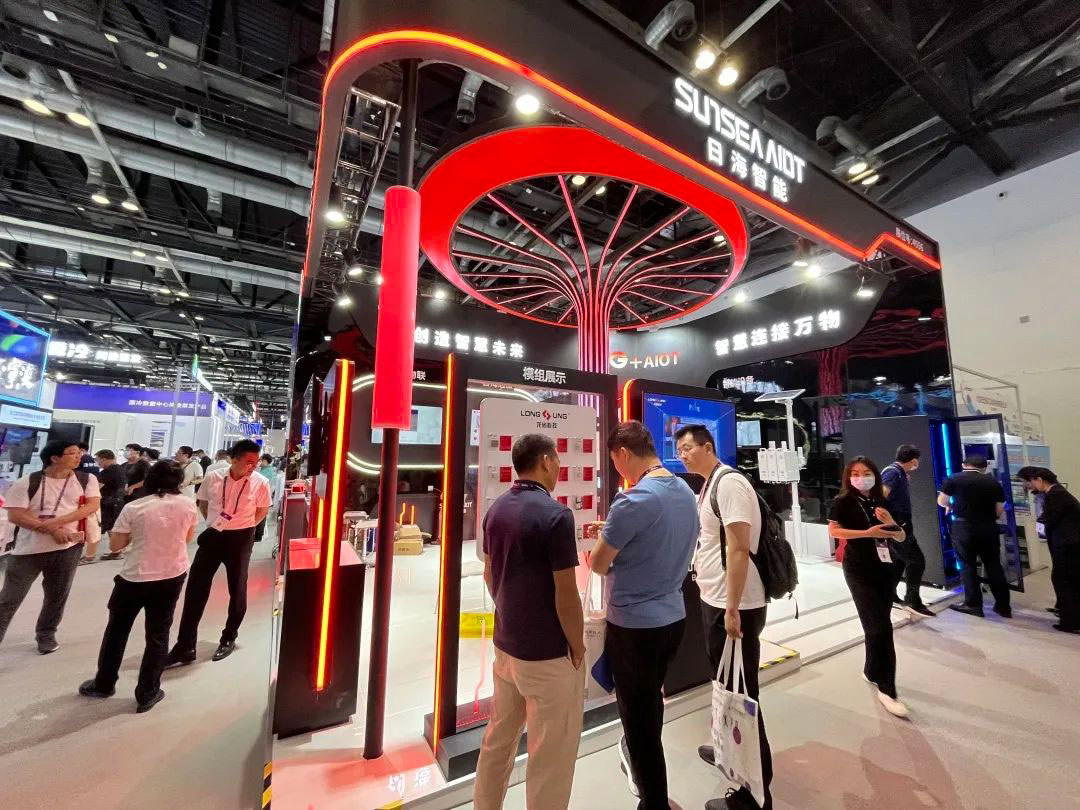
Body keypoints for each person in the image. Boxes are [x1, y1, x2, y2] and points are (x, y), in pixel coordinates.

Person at [589, 421, 698, 809]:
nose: (616, 467)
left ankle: (653, 803)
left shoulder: (632, 501)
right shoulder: (684, 490)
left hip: (635, 626)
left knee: (638, 723)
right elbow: (657, 540)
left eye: (614, 460)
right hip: (673, 618)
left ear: (622, 453)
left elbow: (598, 564)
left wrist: (602, 541)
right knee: (650, 706)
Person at [473, 434, 585, 810]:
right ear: (546, 461)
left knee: (498, 742)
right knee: (550, 757)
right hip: (547, 656)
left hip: (506, 648)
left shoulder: (496, 510)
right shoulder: (556, 516)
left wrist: (511, 612)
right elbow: (566, 593)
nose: (559, 468)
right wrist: (578, 646)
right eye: (557, 461)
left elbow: (489, 574)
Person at [675, 424, 772, 810]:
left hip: (736, 605)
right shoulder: (710, 484)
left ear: (708, 446)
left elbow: (739, 548)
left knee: (742, 695)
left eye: (688, 448)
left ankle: (755, 793)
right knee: (726, 686)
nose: (682, 455)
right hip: (716, 599)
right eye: (678, 450)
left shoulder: (729, 484)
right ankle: (726, 751)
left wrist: (731, 608)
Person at [78, 459, 199, 712]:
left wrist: (138, 535)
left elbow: (115, 546)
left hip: (135, 577)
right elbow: (188, 538)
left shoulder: (135, 507)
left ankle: (104, 683)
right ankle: (147, 692)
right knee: (158, 634)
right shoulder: (188, 505)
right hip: (172, 575)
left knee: (117, 631)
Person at [166, 439, 271, 664]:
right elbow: (204, 503)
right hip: (213, 535)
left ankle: (229, 637)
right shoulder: (213, 477)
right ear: (234, 460)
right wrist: (215, 523)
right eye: (249, 462)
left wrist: (244, 525)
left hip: (241, 538)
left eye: (256, 462)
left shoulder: (260, 482)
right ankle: (185, 645)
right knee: (196, 588)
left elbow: (262, 510)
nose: (254, 466)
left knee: (238, 588)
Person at [0, 440, 101, 653]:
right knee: (10, 598)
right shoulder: (28, 482)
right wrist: (53, 530)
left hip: (68, 548)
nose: (78, 457)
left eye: (79, 453)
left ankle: (46, 634)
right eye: (72, 453)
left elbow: (91, 505)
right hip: (29, 550)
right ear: (54, 458)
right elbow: (16, 515)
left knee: (57, 595)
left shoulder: (86, 479)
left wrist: (56, 523)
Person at [828, 456, 910, 718]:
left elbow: (901, 536)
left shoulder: (882, 500)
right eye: (855, 473)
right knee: (880, 627)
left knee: (878, 622)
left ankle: (872, 669)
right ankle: (888, 688)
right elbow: (834, 532)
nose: (860, 478)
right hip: (858, 568)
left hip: (886, 567)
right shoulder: (843, 502)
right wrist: (867, 533)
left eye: (866, 473)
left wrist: (890, 522)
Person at [938, 455, 1010, 619]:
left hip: (964, 527)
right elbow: (999, 509)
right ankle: (1003, 606)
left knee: (967, 565)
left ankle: (973, 605)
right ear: (984, 467)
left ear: (964, 464)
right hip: (988, 527)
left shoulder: (954, 478)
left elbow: (942, 500)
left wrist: (952, 506)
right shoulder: (993, 482)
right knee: (993, 565)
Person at [1018, 467, 1080, 634]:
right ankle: (1068, 613)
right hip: (1068, 543)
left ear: (1039, 479)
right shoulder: (1056, 493)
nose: (1027, 486)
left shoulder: (1055, 495)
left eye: (1029, 482)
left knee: (1064, 580)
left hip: (1067, 544)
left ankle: (1070, 621)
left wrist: (1042, 523)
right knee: (1066, 579)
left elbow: (1050, 519)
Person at [881, 445, 934, 618]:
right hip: (898, 523)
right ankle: (912, 600)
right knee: (917, 561)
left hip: (901, 522)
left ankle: (889, 595)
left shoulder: (899, 473)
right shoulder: (893, 472)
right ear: (913, 460)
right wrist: (891, 522)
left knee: (900, 561)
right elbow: (881, 497)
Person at [81, 449, 126, 565]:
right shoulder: (119, 468)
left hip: (107, 503)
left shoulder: (109, 471)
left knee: (96, 528)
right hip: (116, 502)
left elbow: (97, 487)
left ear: (104, 459)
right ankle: (116, 551)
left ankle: (89, 556)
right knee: (112, 527)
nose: (97, 462)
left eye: (98, 460)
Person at [254, 454, 276, 543]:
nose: (259, 462)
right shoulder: (264, 470)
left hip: (262, 496)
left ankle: (258, 536)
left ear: (265, 461)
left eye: (261, 460)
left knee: (261, 514)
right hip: (261, 496)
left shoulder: (267, 471)